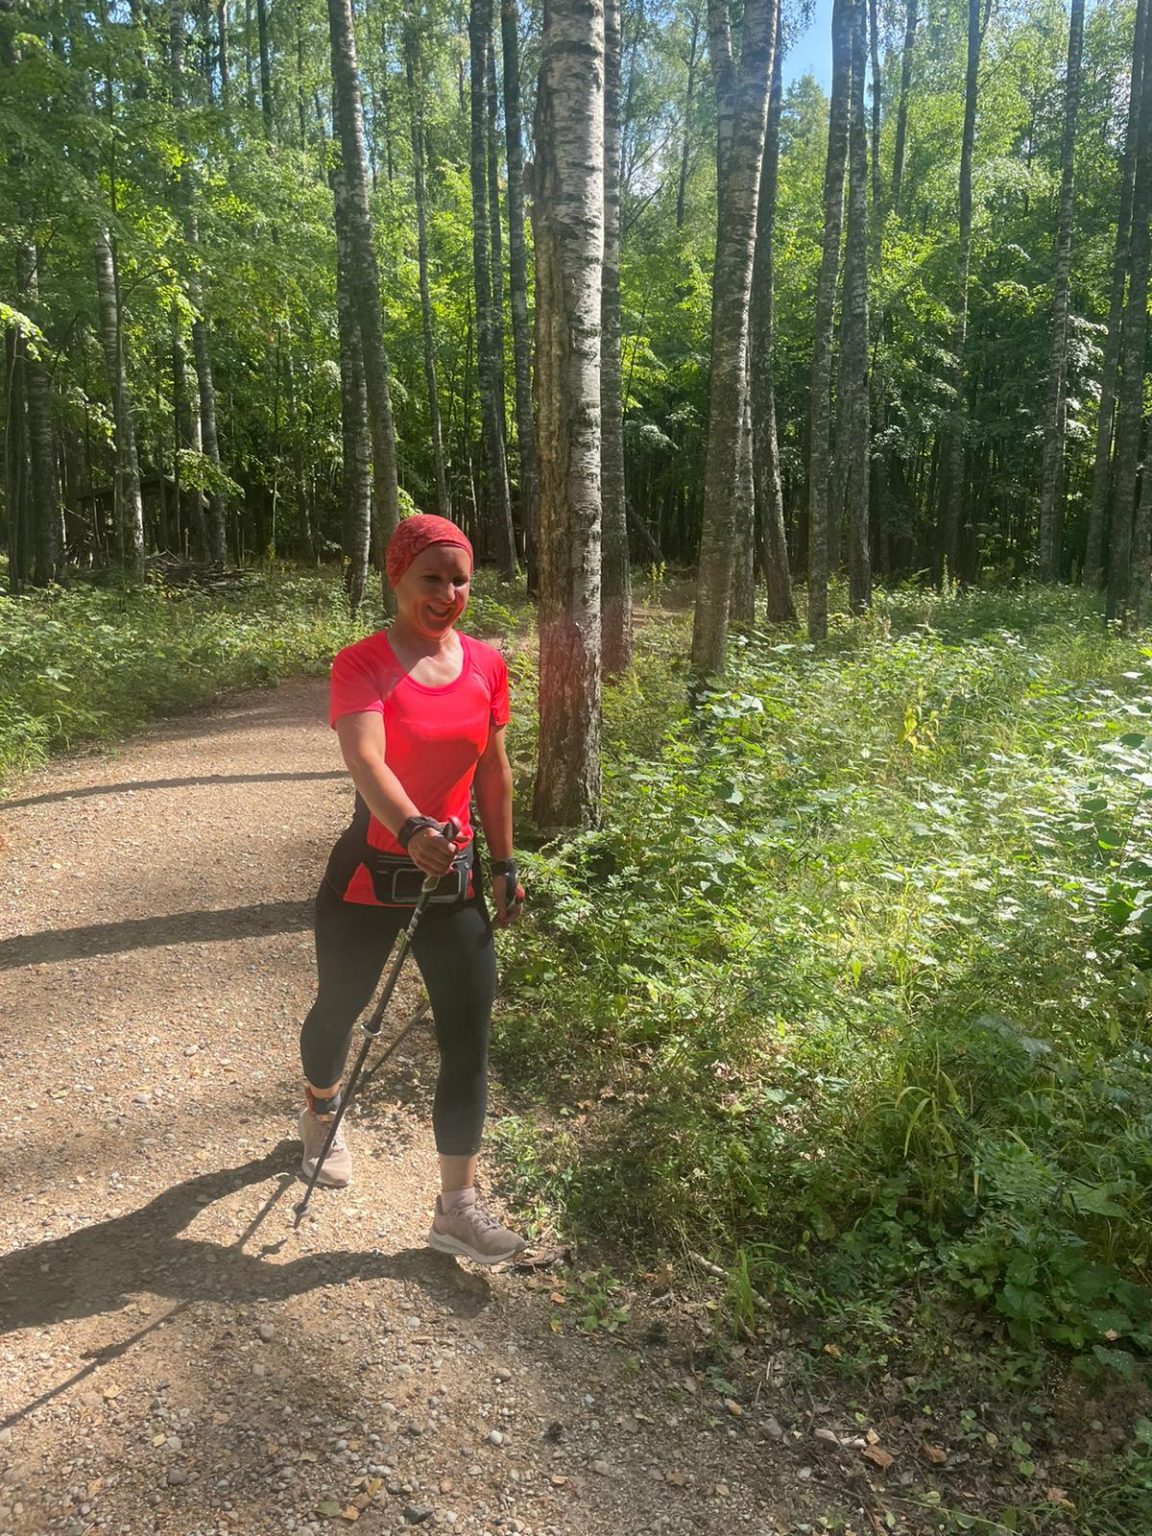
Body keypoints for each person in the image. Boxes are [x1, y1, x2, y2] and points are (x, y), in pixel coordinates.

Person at [298, 513, 526, 1264]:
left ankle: (456, 1208)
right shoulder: (361, 664)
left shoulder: (486, 664)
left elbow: (493, 769)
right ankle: (321, 1108)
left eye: (460, 580)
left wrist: (504, 864)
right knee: (339, 1007)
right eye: (432, 577)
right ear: (397, 578)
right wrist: (412, 828)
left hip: (453, 882)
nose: (448, 594)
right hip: (371, 876)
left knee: (468, 1041)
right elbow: (366, 760)